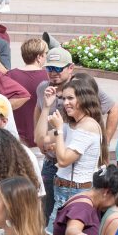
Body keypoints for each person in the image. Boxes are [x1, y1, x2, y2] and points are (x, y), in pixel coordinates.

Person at [40, 80, 106, 218]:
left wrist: (58, 129)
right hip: (62, 190)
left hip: (76, 192)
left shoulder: (88, 125)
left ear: (83, 99)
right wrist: (46, 107)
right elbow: (41, 139)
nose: (65, 103)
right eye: (63, 98)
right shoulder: (71, 124)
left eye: (70, 98)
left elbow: (64, 160)